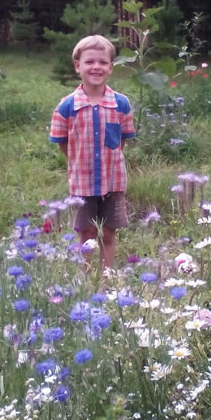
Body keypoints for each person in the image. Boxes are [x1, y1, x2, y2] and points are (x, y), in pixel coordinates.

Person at [49, 35, 135, 272]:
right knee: (86, 232)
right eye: (89, 62)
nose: (96, 67)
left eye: (102, 62)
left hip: (113, 181)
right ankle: (85, 278)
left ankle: (106, 279)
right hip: (82, 184)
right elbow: (62, 142)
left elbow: (122, 140)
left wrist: (109, 160)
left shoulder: (121, 104)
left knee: (108, 232)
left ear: (110, 67)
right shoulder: (67, 107)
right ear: (78, 65)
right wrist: (80, 163)